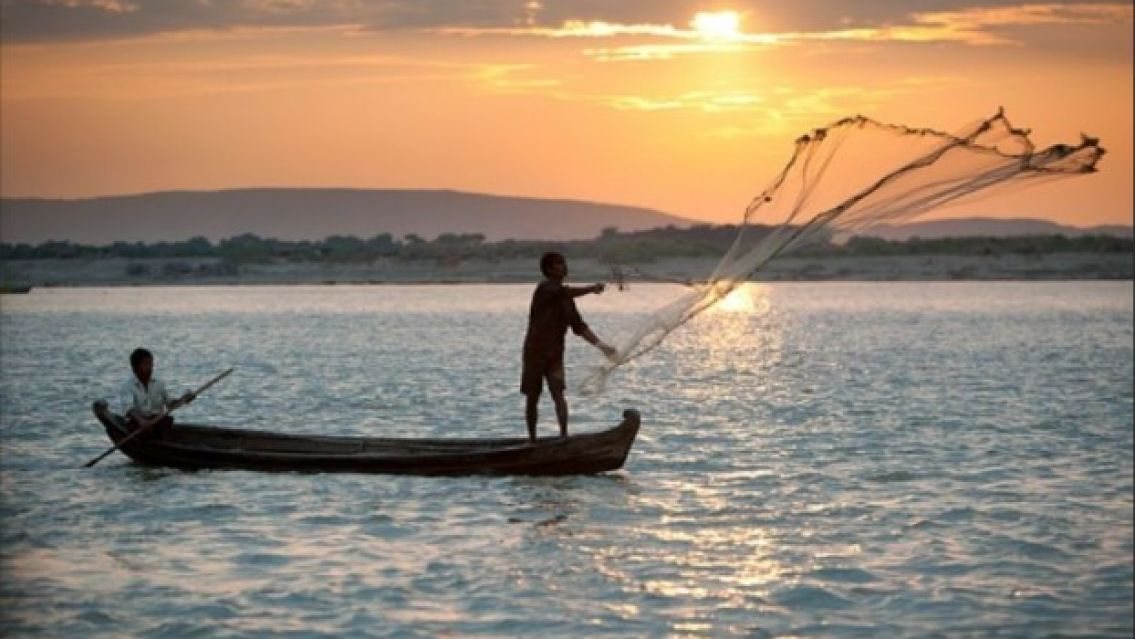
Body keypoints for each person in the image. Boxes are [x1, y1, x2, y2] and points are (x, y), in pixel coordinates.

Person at [521, 252, 617, 441]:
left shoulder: (567, 301)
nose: (563, 267)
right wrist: (591, 289)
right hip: (535, 352)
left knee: (558, 393)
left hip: (555, 354)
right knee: (533, 396)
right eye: (557, 264)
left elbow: (579, 327)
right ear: (548, 269)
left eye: (563, 263)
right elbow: (565, 291)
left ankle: (564, 437)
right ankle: (532, 440)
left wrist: (602, 346)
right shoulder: (544, 289)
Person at [120, 348, 195, 433]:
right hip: (138, 424)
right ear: (135, 368)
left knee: (166, 421)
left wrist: (184, 399)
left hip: (157, 422)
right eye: (145, 364)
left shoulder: (159, 383)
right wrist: (141, 421)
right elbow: (129, 410)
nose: (149, 368)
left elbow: (170, 404)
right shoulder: (128, 386)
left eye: (150, 364)